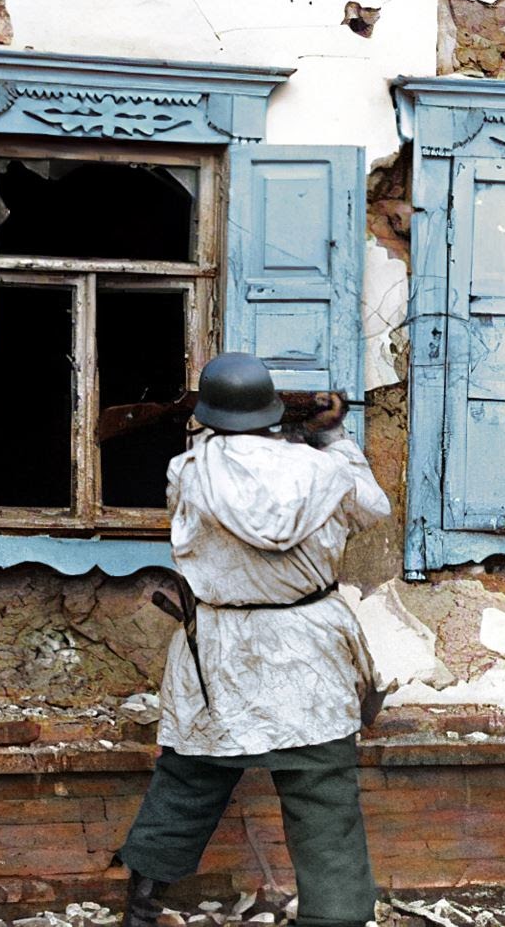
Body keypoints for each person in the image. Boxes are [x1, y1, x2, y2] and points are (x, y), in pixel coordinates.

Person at [118, 352, 391, 927]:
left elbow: (220, 484)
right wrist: (331, 435)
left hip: (222, 643)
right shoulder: (326, 471)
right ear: (272, 408)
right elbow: (373, 509)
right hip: (307, 644)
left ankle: (143, 909)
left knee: (189, 778)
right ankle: (337, 918)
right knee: (322, 794)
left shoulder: (188, 470)